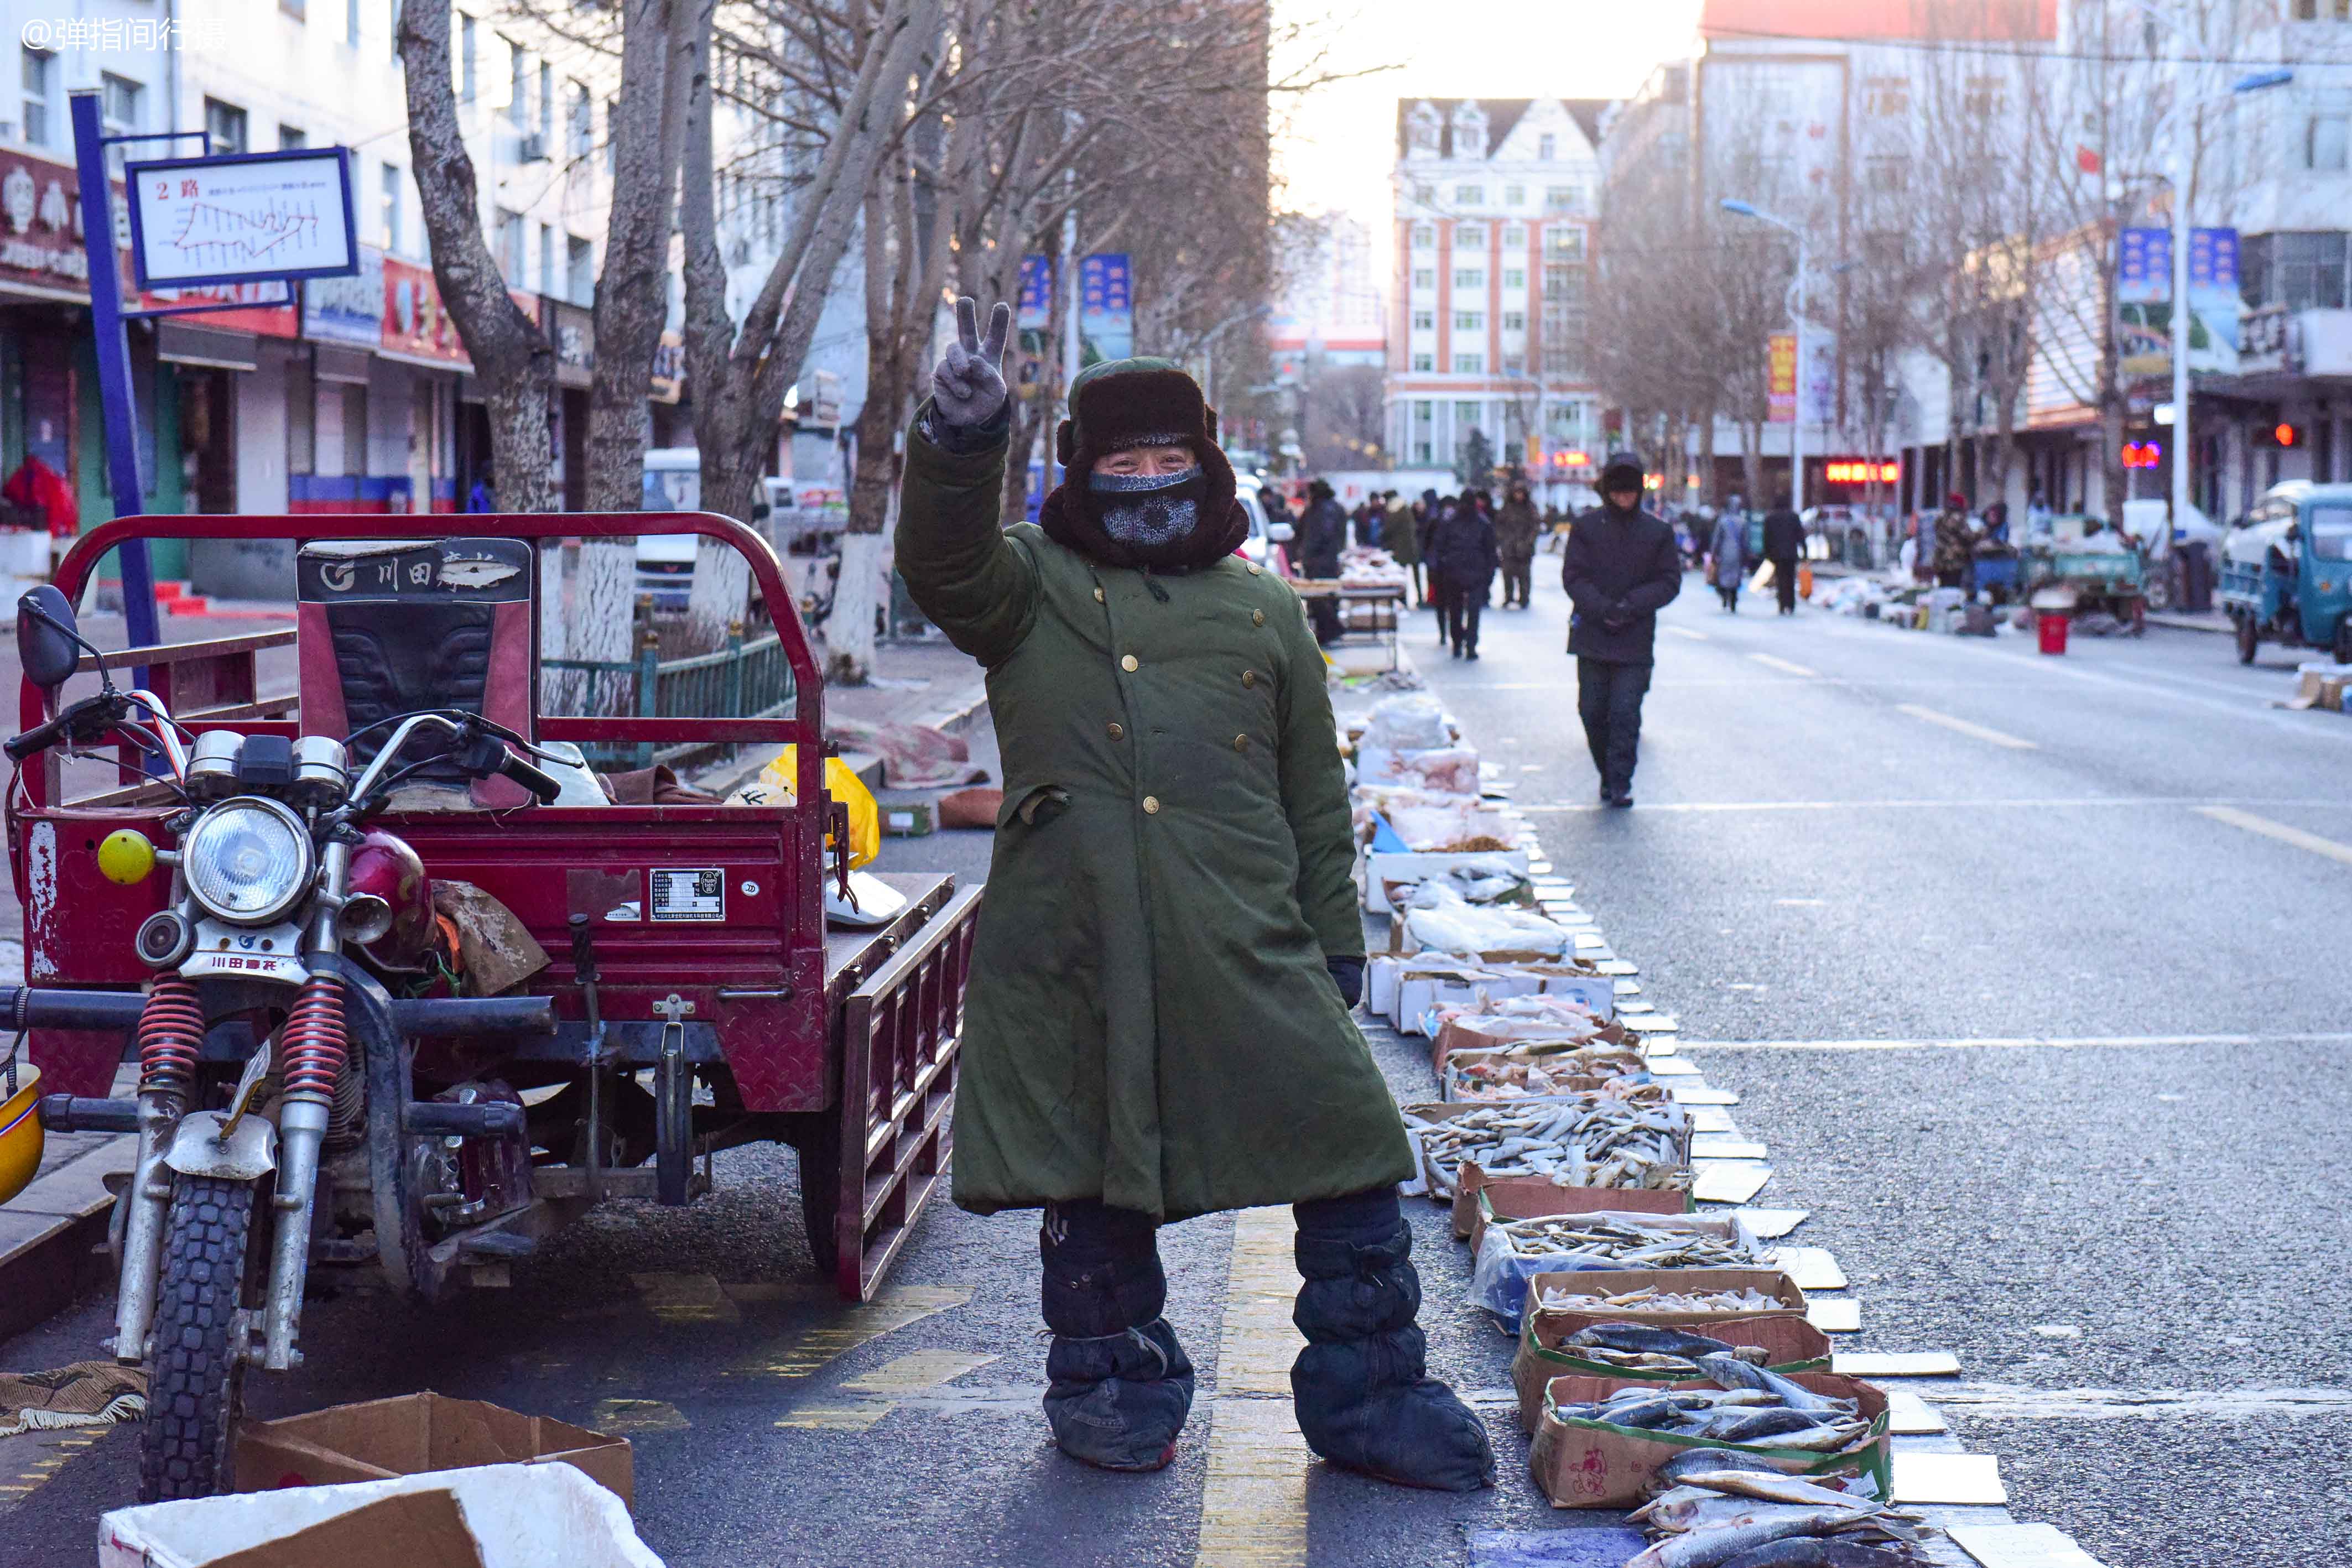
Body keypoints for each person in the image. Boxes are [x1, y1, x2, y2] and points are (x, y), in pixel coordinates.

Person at [893, 300, 1495, 1491]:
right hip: (1080, 942)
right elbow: (941, 560)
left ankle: (1367, 1394)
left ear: (1208, 466)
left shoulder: (1263, 607)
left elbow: (1314, 799)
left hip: (1243, 936)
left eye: (1171, 461)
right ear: (1083, 471)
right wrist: (961, 445)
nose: (1149, 481)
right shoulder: (1028, 588)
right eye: (1123, 462)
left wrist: (1338, 948)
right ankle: (1111, 1387)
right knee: (1094, 1176)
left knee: (1348, 1147)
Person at [1563, 453, 1682, 807]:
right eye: (1618, 492)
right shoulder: (1586, 529)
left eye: (1630, 492)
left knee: (1626, 713)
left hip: (1634, 636)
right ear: (1607, 492)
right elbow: (1573, 576)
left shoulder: (1657, 533)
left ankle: (1620, 781)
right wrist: (1601, 607)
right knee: (1592, 711)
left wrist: (1632, 605)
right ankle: (1606, 771)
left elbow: (1669, 581)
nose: (1624, 498)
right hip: (1593, 633)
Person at [1428, 488, 1500, 658]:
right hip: (1475, 573)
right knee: (1473, 612)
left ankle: (1458, 643)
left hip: (1453, 573)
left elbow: (1439, 547)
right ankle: (1471, 645)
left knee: (1455, 611)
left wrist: (1440, 568)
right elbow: (1491, 551)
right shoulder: (1483, 523)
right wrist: (1489, 575)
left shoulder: (1450, 522)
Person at [1297, 478, 1349, 644]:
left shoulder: (1319, 510)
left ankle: (1331, 630)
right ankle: (1328, 631)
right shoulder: (1338, 508)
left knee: (1319, 597)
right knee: (1329, 596)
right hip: (1331, 560)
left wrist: (1305, 554)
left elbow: (1317, 536)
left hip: (1318, 561)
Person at [1494, 481, 1541, 609]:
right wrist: (1503, 539)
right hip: (1509, 547)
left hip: (1525, 547)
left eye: (1521, 493)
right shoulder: (1507, 507)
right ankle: (1508, 597)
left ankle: (1524, 598)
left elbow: (1535, 526)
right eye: (1516, 493)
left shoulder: (1530, 508)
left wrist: (1528, 542)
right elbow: (1499, 524)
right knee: (1507, 573)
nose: (1519, 496)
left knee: (1524, 575)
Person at [1760, 492, 1805, 615]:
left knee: (1780, 579)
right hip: (1791, 553)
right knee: (1790, 579)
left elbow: (1766, 537)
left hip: (1777, 554)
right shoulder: (1794, 517)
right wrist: (1805, 552)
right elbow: (1800, 535)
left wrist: (1767, 553)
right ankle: (1790, 604)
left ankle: (1782, 604)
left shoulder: (1770, 518)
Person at [1417, 489, 1447, 631]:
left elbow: (1428, 538)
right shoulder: (1436, 512)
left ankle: (1433, 599)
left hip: (1436, 559)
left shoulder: (1433, 514)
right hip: (1438, 559)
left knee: (1437, 590)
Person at [1932, 492, 1975, 591]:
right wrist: (1982, 533)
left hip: (1940, 561)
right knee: (1953, 589)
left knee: (1944, 588)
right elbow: (1968, 537)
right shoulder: (1957, 518)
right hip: (1954, 561)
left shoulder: (1941, 518)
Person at [1708, 507, 1746, 612]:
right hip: (1737, 553)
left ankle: (1725, 598)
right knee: (1735, 577)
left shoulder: (1723, 521)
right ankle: (1733, 599)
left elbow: (1717, 539)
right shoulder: (1742, 521)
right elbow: (1745, 540)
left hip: (1724, 552)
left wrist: (1714, 554)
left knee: (1724, 576)